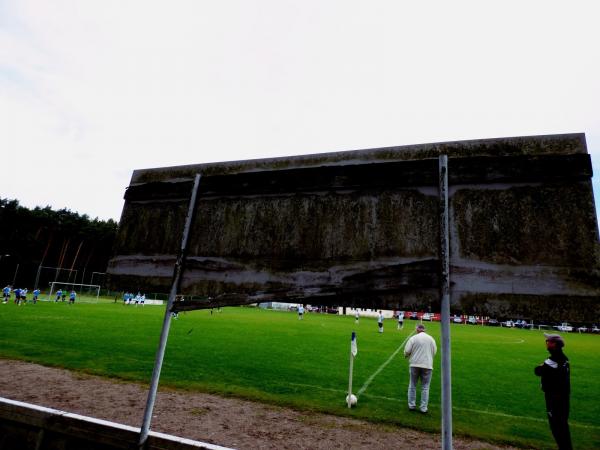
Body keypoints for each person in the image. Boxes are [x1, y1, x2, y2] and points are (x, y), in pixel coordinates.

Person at [535, 333, 572, 450]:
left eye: (548, 341)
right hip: (563, 397)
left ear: (554, 344)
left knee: (556, 427)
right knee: (562, 426)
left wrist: (542, 366)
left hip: (554, 398)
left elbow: (537, 371)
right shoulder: (564, 359)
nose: (546, 342)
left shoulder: (552, 360)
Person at [404, 323, 437, 413]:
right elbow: (434, 352)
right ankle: (423, 408)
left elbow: (407, 351)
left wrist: (406, 355)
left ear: (417, 329)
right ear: (424, 330)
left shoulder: (413, 338)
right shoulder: (431, 339)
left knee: (412, 385)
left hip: (414, 364)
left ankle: (411, 405)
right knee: (425, 387)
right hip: (427, 365)